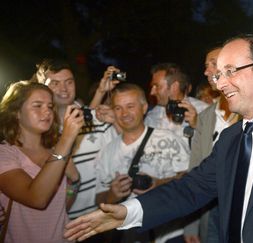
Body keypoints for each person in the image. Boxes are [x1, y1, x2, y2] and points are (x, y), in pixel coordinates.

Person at [64, 34, 253, 242]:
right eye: (216, 75)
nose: (219, 83)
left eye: (230, 71)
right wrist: (128, 212)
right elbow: (189, 190)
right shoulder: (230, 139)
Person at [95, 83, 190, 243]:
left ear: (144, 107)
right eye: (118, 108)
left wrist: (159, 183)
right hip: (130, 236)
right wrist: (113, 194)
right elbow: (99, 199)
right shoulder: (107, 152)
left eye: (130, 106)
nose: (124, 113)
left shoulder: (169, 139)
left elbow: (191, 180)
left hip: (171, 233)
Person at [33, 59, 119, 224]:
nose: (64, 89)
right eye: (55, 83)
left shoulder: (97, 117)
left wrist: (117, 121)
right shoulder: (38, 132)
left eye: (69, 82)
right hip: (64, 222)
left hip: (103, 218)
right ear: (42, 86)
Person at [0, 81, 83, 243]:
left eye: (50, 106)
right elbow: (37, 199)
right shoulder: (5, 153)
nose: (47, 112)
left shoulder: (54, 151)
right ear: (16, 112)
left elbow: (60, 206)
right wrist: (65, 140)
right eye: (37, 105)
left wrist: (74, 183)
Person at [183, 46, 241, 243]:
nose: (207, 71)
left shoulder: (250, 112)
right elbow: (195, 171)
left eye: (213, 64)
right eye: (206, 66)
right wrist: (191, 226)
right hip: (212, 211)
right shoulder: (206, 117)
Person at [145, 63, 208, 144]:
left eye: (156, 86)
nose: (152, 92)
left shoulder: (204, 111)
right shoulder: (152, 116)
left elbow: (217, 147)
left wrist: (198, 126)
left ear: (174, 87)